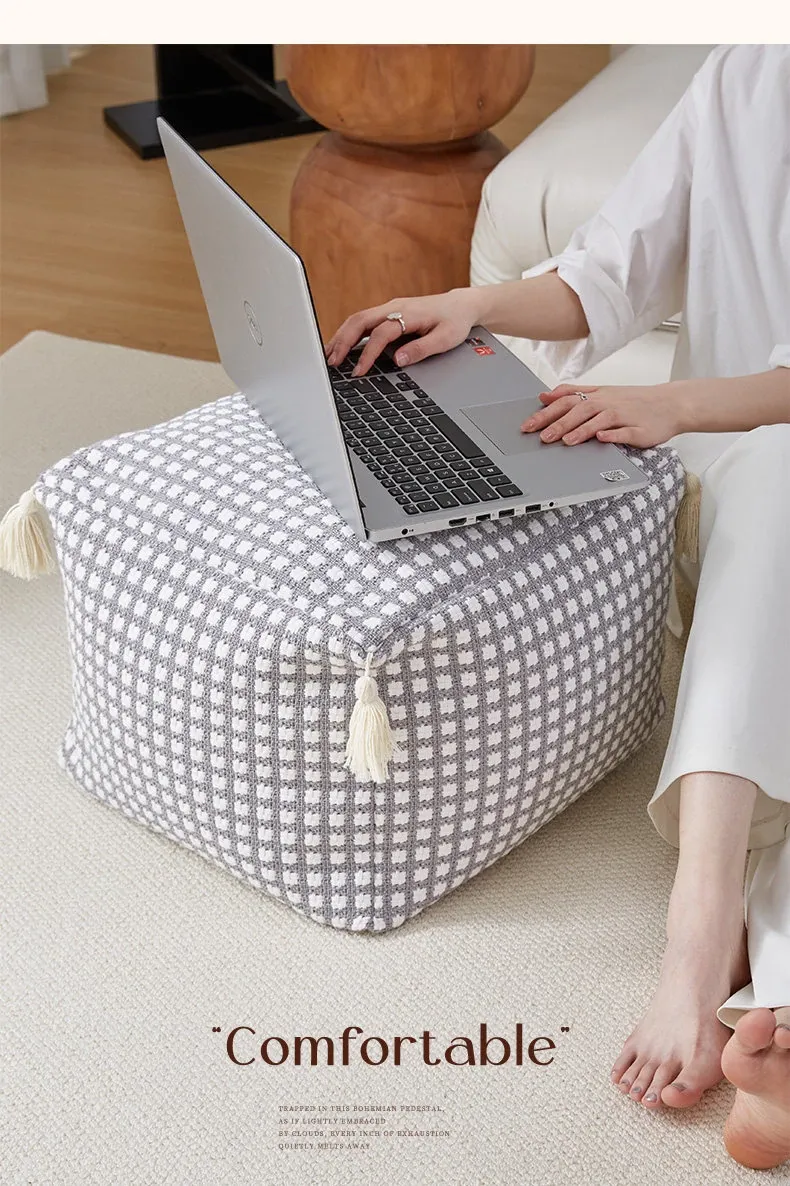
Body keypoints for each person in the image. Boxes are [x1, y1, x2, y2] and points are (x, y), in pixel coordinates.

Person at [325, 44, 790, 1170]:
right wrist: (468, 305)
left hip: (741, 441)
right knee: (778, 486)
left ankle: (720, 956)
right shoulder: (748, 68)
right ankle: (748, 982)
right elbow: (605, 274)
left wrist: (671, 405)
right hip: (752, 471)